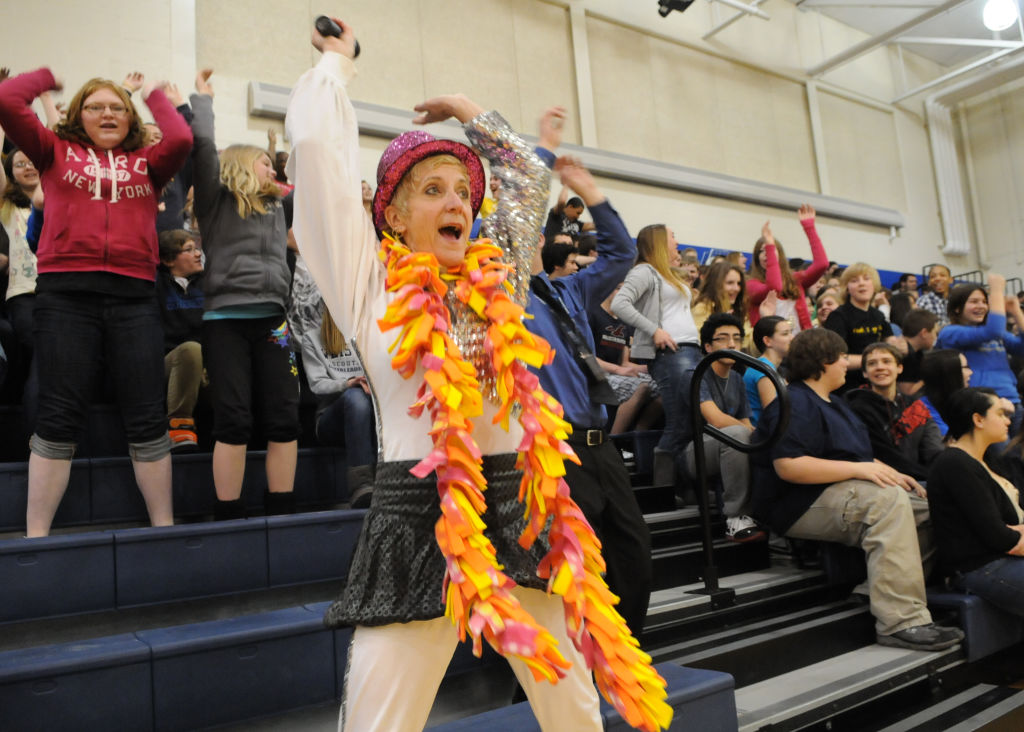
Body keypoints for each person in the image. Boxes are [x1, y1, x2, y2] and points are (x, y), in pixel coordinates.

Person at [285, 20, 669, 732]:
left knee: (576, 712)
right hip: (417, 520)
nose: (457, 203)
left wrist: (467, 108)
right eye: (432, 190)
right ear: (392, 217)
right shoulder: (370, 287)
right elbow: (314, 153)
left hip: (522, 512)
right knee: (378, 720)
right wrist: (337, 66)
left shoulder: (505, 284)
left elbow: (524, 173)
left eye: (463, 191)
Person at [0, 68, 191, 537]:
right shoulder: (52, 151)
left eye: (117, 108)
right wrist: (45, 77)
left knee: (147, 414)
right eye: (95, 106)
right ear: (78, 115)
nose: (107, 114)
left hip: (134, 298)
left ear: (130, 118)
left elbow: (182, 138)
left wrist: (150, 95)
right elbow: (6, 100)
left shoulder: (147, 163)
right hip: (66, 296)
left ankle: (163, 528)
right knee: (58, 413)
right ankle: (37, 537)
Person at [751, 328, 964, 651]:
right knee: (887, 502)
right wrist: (862, 469)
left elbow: (854, 455)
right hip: (798, 503)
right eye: (842, 358)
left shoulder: (835, 403)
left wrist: (890, 471)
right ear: (824, 361)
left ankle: (873, 589)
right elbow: (789, 466)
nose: (847, 365)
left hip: (840, 491)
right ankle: (901, 621)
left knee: (934, 508)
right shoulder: (793, 400)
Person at [524, 157, 652, 639]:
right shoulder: (498, 300)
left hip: (600, 445)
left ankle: (623, 660)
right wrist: (537, 156)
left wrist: (589, 191)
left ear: (538, 242)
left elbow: (621, 254)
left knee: (633, 553)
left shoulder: (569, 290)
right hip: (554, 452)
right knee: (574, 567)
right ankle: (569, 681)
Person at [189, 69, 300, 518]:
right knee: (233, 419)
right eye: (262, 162)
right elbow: (201, 150)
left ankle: (282, 508)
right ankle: (229, 514)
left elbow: (311, 164)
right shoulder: (215, 202)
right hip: (226, 321)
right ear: (238, 164)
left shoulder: (279, 204)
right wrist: (203, 101)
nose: (271, 169)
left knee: (284, 417)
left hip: (273, 320)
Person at [612, 223, 700, 487]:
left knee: (689, 419)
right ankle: (664, 487)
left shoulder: (667, 273)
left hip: (689, 350)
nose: (676, 240)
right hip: (670, 352)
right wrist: (655, 330)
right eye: (672, 236)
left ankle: (681, 485)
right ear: (660, 241)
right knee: (679, 421)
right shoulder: (644, 271)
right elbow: (619, 303)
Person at [287, 256, 376, 508]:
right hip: (330, 419)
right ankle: (361, 485)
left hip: (370, 414)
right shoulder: (312, 339)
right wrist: (348, 383)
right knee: (355, 397)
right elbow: (316, 385)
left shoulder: (366, 335)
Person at [927, 388, 1024, 617]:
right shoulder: (954, 463)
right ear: (978, 419)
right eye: (1000, 414)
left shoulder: (988, 461)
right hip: (979, 568)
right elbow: (999, 536)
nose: (1007, 420)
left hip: (1002, 560)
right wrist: (1013, 534)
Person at [683, 313, 763, 542]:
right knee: (739, 434)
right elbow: (715, 420)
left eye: (737, 339)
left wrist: (755, 434)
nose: (732, 344)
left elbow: (746, 420)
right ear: (708, 346)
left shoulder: (737, 378)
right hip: (694, 450)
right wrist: (749, 432)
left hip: (725, 446)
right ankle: (735, 517)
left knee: (753, 436)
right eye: (724, 338)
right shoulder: (695, 374)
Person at [936, 273, 1024, 435]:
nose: (982, 306)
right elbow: (993, 330)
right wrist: (996, 290)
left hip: (1012, 402)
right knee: (1002, 458)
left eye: (984, 302)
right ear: (957, 308)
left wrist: (1016, 312)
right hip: (983, 407)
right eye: (974, 301)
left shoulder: (995, 333)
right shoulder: (950, 332)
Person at [844, 343, 944, 482]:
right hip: (885, 481)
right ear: (865, 373)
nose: (880, 367)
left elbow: (934, 449)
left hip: (923, 477)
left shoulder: (915, 406)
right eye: (872, 363)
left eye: (887, 361)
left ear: (899, 368)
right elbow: (882, 455)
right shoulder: (856, 408)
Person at [155, 229, 205, 450]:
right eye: (189, 249)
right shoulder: (155, 286)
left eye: (197, 248)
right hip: (168, 366)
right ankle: (179, 425)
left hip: (207, 366)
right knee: (191, 350)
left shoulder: (209, 283)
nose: (197, 254)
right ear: (168, 260)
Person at [747, 205, 828, 333]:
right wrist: (770, 248)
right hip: (771, 347)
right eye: (762, 251)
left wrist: (809, 228)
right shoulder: (752, 285)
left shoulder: (796, 280)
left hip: (801, 345)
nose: (767, 253)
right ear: (757, 258)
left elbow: (822, 264)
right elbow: (774, 287)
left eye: (772, 250)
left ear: (781, 254)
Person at [0, 148, 39, 412]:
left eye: (32, 161)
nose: (28, 166)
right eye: (20, 164)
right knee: (38, 354)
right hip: (24, 292)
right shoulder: (8, 206)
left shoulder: (59, 198)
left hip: (63, 290)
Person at [824, 262, 893, 393]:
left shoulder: (878, 315)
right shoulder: (838, 316)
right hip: (848, 386)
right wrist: (873, 361)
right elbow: (835, 357)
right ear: (847, 288)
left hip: (875, 382)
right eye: (854, 281)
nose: (861, 283)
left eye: (867, 279)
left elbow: (891, 344)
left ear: (875, 285)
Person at [691, 261, 753, 351]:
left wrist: (766, 317)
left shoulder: (739, 309)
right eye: (730, 283)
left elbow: (748, 345)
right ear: (716, 284)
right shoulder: (702, 308)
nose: (736, 288)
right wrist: (720, 324)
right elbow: (702, 344)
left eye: (739, 283)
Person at [744, 315, 792, 427]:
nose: (792, 337)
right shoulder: (763, 370)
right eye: (785, 334)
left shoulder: (772, 368)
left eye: (791, 332)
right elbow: (773, 413)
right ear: (767, 341)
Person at [919, 348, 973, 437]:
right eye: (966, 367)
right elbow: (949, 442)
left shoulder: (960, 401)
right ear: (950, 373)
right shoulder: (921, 408)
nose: (971, 372)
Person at [896, 308, 938, 397]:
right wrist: (930, 377)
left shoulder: (917, 352)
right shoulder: (907, 356)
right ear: (924, 333)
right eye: (935, 333)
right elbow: (907, 391)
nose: (935, 338)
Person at [916, 264, 953, 329]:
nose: (937, 279)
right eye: (933, 276)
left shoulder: (959, 299)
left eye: (942, 275)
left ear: (951, 280)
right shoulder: (923, 301)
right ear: (929, 282)